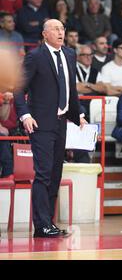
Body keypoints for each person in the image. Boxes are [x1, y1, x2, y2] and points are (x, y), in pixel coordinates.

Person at [14, 19, 87, 238]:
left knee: (55, 174)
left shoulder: (70, 54)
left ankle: (49, 223)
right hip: (41, 123)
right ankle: (41, 225)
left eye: (62, 28)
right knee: (44, 174)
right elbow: (19, 88)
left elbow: (70, 89)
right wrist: (25, 114)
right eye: (55, 29)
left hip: (61, 122)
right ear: (45, 34)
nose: (60, 32)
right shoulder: (35, 57)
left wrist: (78, 113)